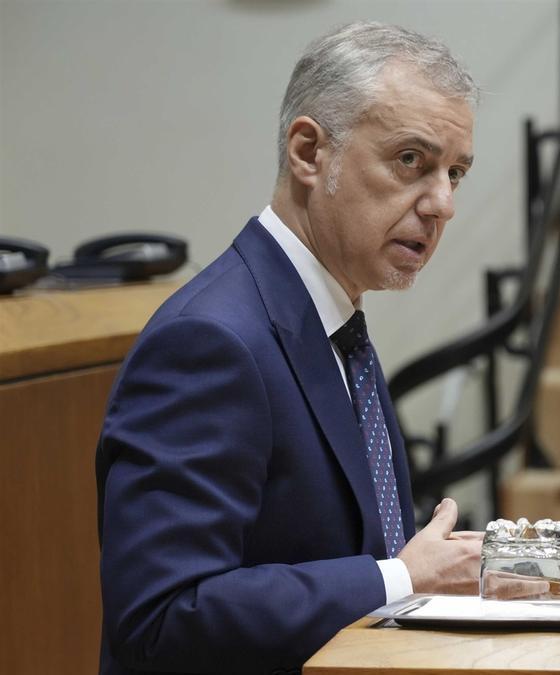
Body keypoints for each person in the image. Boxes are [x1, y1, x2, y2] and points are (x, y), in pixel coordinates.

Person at [96, 23, 484, 674]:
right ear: (309, 152)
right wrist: (397, 579)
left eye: (456, 173)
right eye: (411, 160)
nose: (442, 203)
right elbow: (161, 617)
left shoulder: (335, 323)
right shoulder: (211, 341)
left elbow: (346, 542)